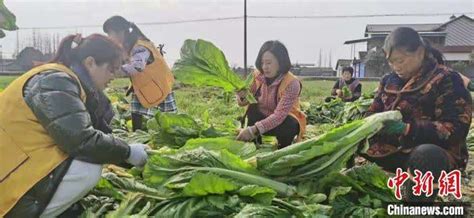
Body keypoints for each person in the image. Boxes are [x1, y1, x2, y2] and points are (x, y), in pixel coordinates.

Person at [0, 34, 149, 217]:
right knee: (89, 168)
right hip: (8, 181)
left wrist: (124, 155)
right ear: (90, 62)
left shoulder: (65, 78)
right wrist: (128, 152)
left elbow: (91, 133)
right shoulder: (55, 81)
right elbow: (81, 141)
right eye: (111, 69)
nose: (114, 76)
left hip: (15, 165)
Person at [362, 27, 472, 202]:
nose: (396, 67)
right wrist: (367, 123)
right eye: (391, 62)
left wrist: (406, 129)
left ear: (420, 52)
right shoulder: (388, 81)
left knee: (427, 155)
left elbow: (456, 127)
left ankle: (417, 202)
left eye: (401, 60)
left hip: (430, 153)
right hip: (390, 150)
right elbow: (373, 110)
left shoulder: (447, 79)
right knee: (352, 146)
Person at [103, 16, 177, 131]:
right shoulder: (128, 46)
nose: (108, 38)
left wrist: (116, 71)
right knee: (136, 117)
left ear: (120, 32)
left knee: (171, 124)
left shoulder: (140, 46)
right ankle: (137, 137)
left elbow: (137, 67)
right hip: (144, 87)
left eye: (110, 34)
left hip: (159, 86)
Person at [236, 40, 306, 148]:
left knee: (290, 124)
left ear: (281, 62)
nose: (264, 67)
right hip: (261, 118)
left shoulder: (292, 83)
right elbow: (244, 102)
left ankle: (283, 148)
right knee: (252, 108)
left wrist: (253, 130)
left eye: (268, 63)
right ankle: (254, 145)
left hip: (282, 122)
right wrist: (241, 96)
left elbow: (279, 116)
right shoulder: (256, 76)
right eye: (262, 63)